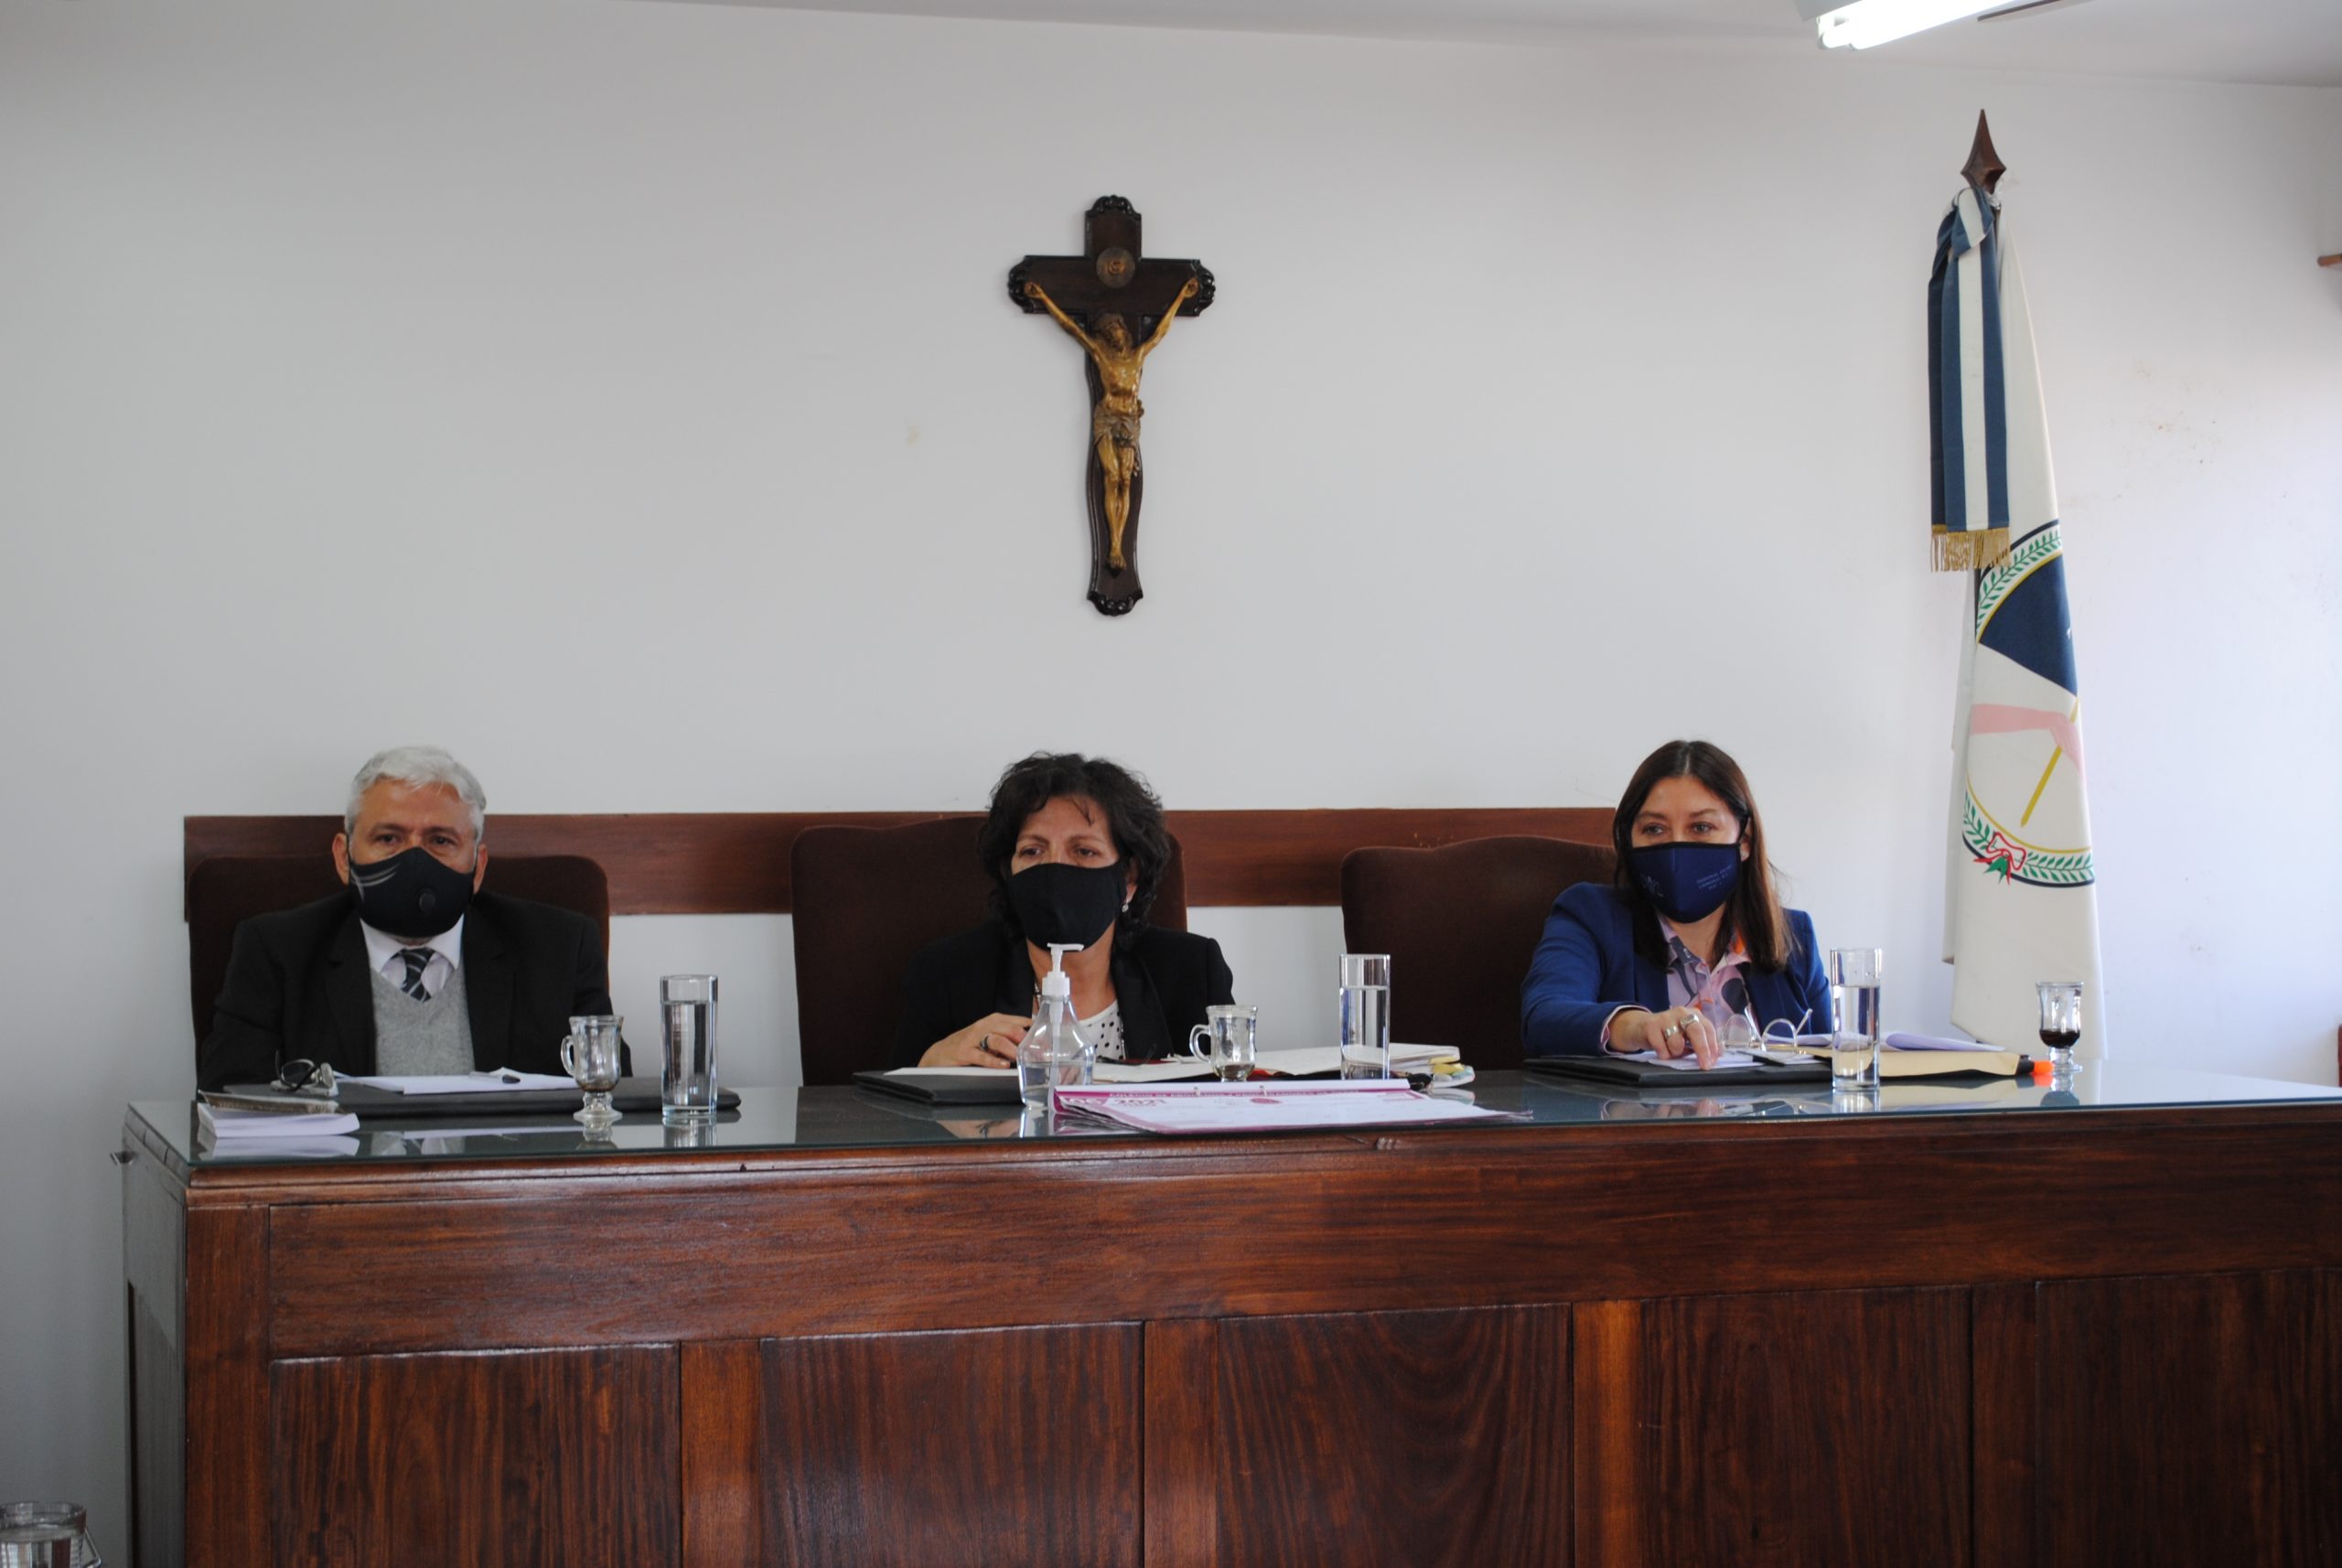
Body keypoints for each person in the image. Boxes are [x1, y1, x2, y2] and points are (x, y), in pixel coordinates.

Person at [197, 746, 619, 1091]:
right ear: (344, 858)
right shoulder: (276, 953)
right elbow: (231, 1101)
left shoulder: (560, 949)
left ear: (478, 866)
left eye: (440, 841)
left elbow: (608, 1103)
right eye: (388, 838)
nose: (414, 861)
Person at [892, 752, 1233, 1069]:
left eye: (1084, 851)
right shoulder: (948, 974)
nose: (1054, 870)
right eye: (1033, 851)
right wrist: (927, 1068)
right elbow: (888, 1103)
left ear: (1129, 878)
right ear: (1009, 873)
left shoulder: (1192, 970)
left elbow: (1237, 1097)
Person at [1520, 739, 1831, 1068]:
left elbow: (1831, 1062)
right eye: (1654, 829)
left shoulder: (1793, 937)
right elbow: (1543, 1018)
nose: (1676, 848)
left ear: (1744, 840)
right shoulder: (1590, 915)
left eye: (1701, 827)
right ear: (1629, 839)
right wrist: (1636, 1027)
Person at [1022, 274, 1199, 573]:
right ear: (1106, 335)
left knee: (1126, 481)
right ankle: (1115, 544)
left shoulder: (1138, 356)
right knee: (1112, 476)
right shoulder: (1101, 356)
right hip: (1107, 418)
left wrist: (1182, 295)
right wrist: (1044, 299)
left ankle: (1119, 541)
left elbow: (1160, 332)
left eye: (1118, 329)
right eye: (1111, 330)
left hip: (1129, 421)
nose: (1116, 333)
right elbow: (1071, 328)